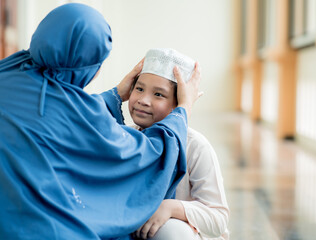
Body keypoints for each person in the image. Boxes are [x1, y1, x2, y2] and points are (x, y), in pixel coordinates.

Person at [0, 4, 201, 240]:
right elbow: (146, 154)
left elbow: (66, 114)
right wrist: (182, 110)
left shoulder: (10, 72)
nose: (144, 100)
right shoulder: (77, 115)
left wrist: (115, 94)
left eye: (158, 94)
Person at [128, 48, 229, 240]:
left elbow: (218, 219)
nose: (143, 100)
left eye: (159, 95)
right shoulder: (127, 137)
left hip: (180, 234)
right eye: (139, 89)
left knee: (171, 232)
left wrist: (171, 208)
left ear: (179, 104)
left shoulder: (195, 146)